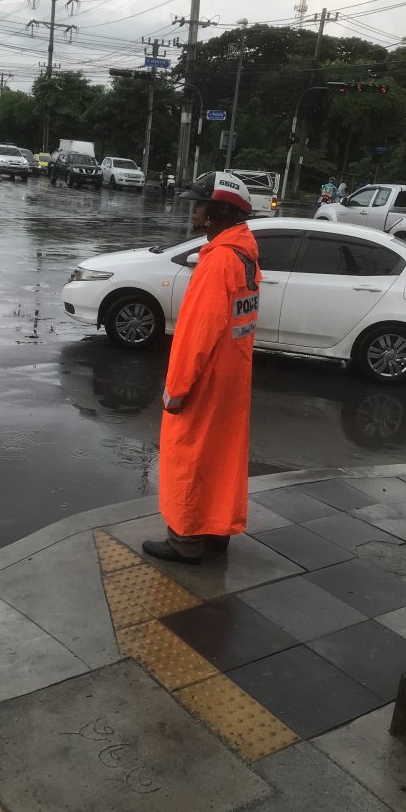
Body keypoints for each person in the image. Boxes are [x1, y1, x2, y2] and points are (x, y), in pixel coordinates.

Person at [142, 171, 261, 564]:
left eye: (198, 205)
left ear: (218, 212)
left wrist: (176, 391)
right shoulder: (245, 258)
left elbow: (196, 338)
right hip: (232, 379)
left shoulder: (218, 263)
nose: (193, 211)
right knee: (221, 458)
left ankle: (185, 540)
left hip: (204, 382)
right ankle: (216, 530)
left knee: (189, 458)